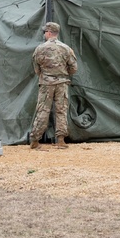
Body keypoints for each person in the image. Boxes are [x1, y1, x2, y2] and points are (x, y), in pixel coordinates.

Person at [30, 21, 78, 149]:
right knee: (61, 110)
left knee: (43, 110)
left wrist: (46, 75)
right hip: (62, 83)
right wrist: (62, 74)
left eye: (45, 32)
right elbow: (74, 68)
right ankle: (61, 140)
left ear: (49, 32)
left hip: (46, 83)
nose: (44, 34)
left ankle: (35, 140)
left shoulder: (40, 48)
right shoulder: (66, 48)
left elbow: (36, 69)